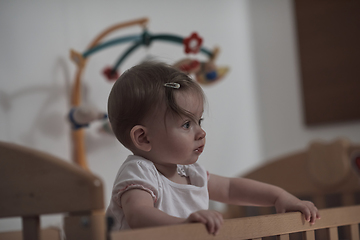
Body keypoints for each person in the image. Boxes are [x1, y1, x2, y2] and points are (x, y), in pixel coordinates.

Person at [106, 61, 320, 235]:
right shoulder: (139, 171)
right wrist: (183, 225)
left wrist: (278, 197)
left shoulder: (190, 173)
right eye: (187, 124)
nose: (201, 132)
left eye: (200, 121)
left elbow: (230, 189)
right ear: (143, 138)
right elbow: (139, 214)